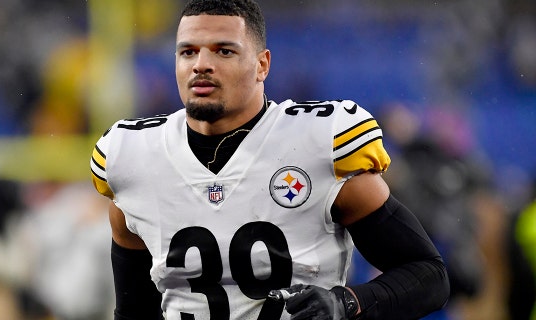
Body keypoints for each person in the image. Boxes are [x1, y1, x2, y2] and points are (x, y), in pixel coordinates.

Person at [90, 0, 450, 319]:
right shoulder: (133, 158)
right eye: (188, 52)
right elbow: (135, 310)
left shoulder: (316, 144)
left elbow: (428, 275)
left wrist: (347, 302)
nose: (201, 64)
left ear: (262, 65)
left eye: (223, 51)